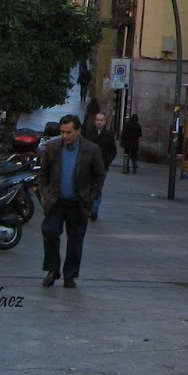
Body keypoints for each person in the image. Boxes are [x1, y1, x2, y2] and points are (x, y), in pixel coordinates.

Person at [38, 114, 106, 289]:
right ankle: (52, 269)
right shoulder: (53, 148)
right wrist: (45, 193)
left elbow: (99, 175)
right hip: (56, 200)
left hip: (78, 202)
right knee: (50, 232)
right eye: (62, 132)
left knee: (75, 241)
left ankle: (70, 275)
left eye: (69, 132)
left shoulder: (91, 150)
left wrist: (92, 196)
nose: (65, 136)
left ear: (78, 131)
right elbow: (43, 174)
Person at [88, 112, 117, 219]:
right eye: (97, 120)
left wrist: (106, 162)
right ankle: (88, 207)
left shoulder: (109, 135)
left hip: (102, 166)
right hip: (89, 165)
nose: (99, 122)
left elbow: (113, 151)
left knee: (98, 187)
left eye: (101, 120)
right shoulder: (89, 133)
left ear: (105, 122)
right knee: (87, 186)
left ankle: (94, 210)